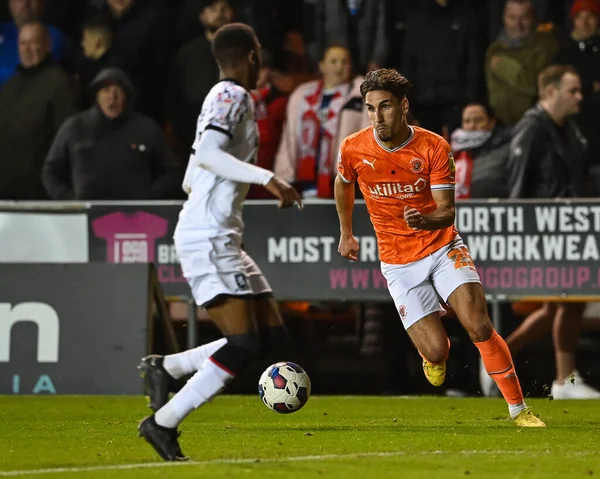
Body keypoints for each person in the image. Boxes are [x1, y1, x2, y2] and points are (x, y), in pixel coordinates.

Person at [334, 68, 545, 427]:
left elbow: (446, 213)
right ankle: (433, 356)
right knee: (437, 351)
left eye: (384, 107)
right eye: (370, 108)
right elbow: (343, 185)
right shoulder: (354, 147)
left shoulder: (433, 146)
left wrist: (425, 221)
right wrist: (346, 233)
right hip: (398, 263)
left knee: (478, 325)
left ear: (403, 106)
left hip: (441, 246)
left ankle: (519, 409)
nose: (377, 117)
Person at [136, 23, 303, 461]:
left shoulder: (224, 97)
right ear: (253, 56)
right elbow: (209, 155)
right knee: (245, 345)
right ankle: (163, 422)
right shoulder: (233, 95)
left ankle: (166, 367)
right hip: (209, 235)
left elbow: (195, 172)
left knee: (268, 337)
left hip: (221, 232)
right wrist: (267, 177)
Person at [507, 64, 600, 399]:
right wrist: (520, 234)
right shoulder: (531, 128)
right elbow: (517, 187)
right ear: (550, 92)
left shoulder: (570, 130)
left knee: (559, 306)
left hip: (569, 230)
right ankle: (564, 381)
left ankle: (498, 357)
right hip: (544, 232)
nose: (579, 97)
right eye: (572, 91)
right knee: (568, 302)